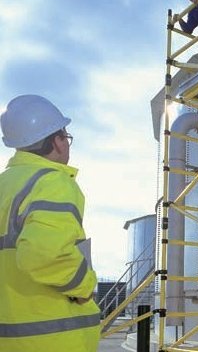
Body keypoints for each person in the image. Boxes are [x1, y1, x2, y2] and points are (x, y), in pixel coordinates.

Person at [0, 95, 100, 352]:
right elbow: (42, 255)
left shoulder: (6, 186)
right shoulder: (52, 182)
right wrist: (84, 286)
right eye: (66, 138)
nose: (67, 145)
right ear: (57, 141)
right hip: (50, 341)